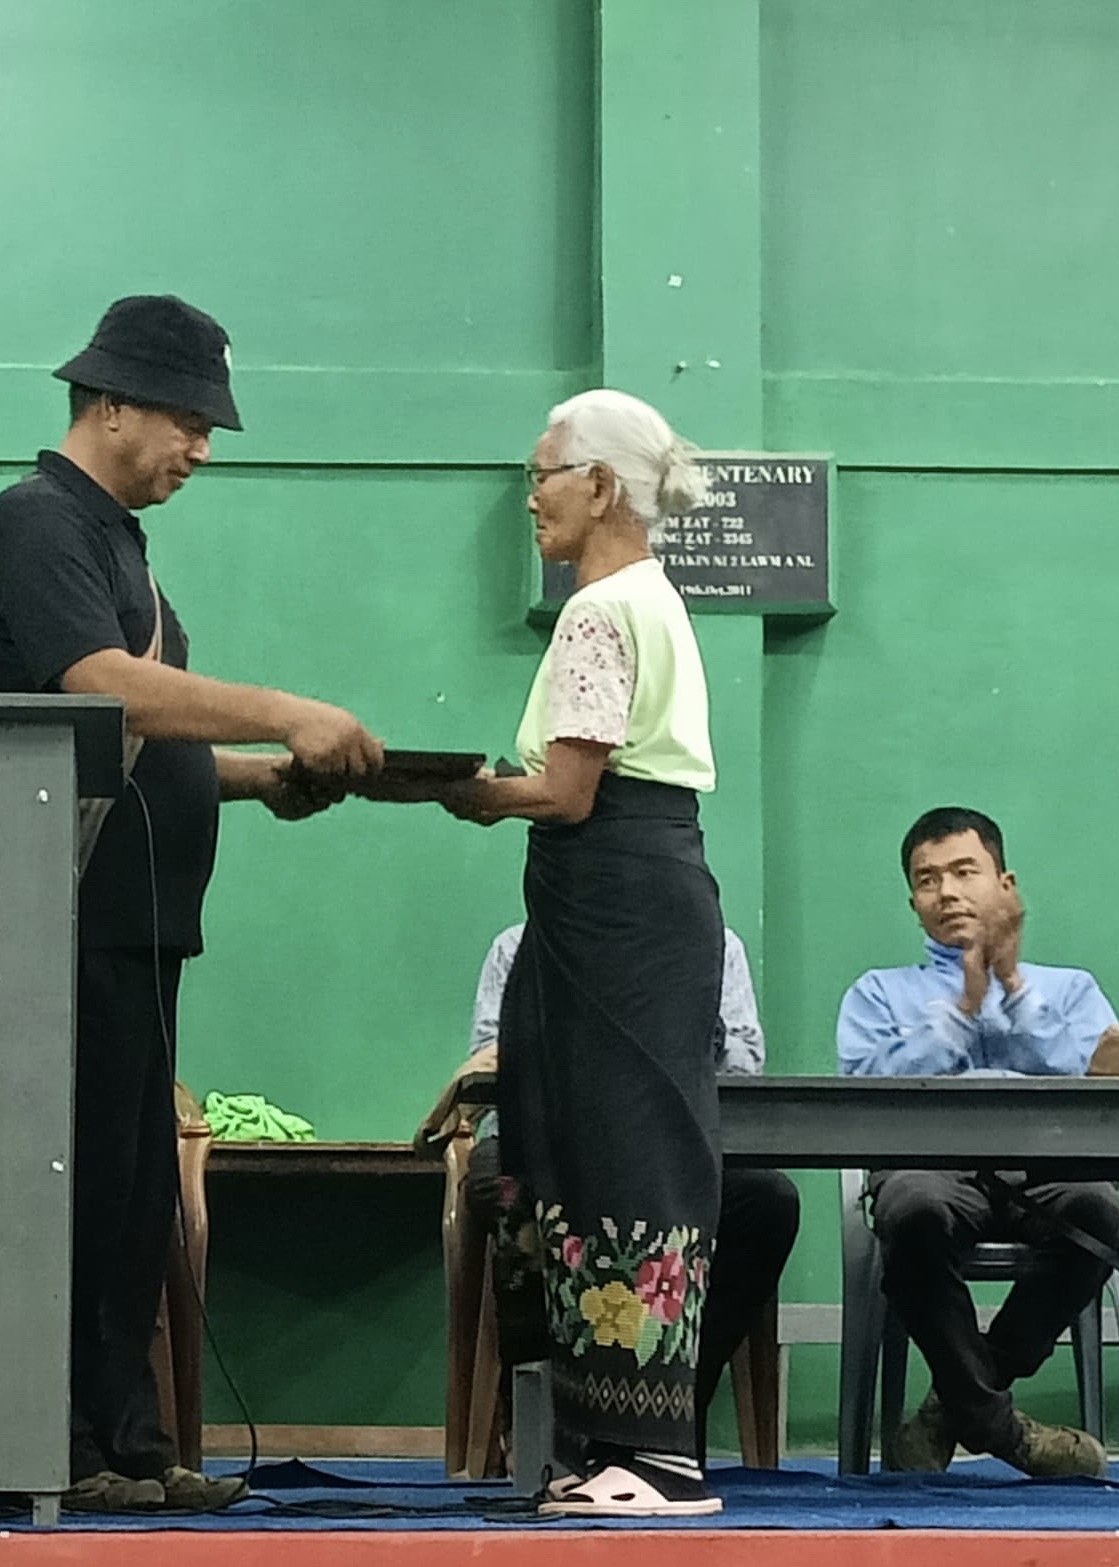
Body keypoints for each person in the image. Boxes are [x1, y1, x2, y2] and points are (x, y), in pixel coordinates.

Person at [0, 294, 383, 1514]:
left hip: (134, 925)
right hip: (63, 916)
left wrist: (259, 779)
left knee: (131, 1195)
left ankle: (127, 1443)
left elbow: (145, 748)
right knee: (71, 1188)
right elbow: (102, 690)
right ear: (109, 405)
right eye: (188, 422)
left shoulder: (115, 543)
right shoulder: (34, 522)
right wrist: (288, 712)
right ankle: (52, 1446)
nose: (200, 448)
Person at [438, 388, 727, 1517]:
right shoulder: (654, 598)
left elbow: (565, 791)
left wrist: (470, 791)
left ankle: (652, 1454)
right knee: (593, 1147)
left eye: (542, 475)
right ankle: (608, 1437)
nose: (531, 498)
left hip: (614, 903)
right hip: (634, 899)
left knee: (619, 1156)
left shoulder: (599, 610)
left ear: (600, 486)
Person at [836, 806, 1119, 1478]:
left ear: (1005, 884)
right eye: (927, 879)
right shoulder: (877, 994)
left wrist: (1012, 989)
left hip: (1049, 1170)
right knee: (911, 1211)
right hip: (929, 1169)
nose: (947, 892)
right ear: (913, 902)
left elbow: (1093, 1076)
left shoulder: (1070, 990)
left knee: (1099, 1214)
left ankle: (952, 1411)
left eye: (965, 872)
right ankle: (1004, 1431)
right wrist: (962, 1011)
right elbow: (864, 1090)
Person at [458, 923, 799, 1464]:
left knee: (767, 1203)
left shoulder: (714, 944)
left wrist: (690, 1026)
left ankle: (670, 1413)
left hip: (669, 1143)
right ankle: (543, 1426)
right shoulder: (517, 946)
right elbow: (489, 1065)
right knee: (510, 1190)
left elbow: (743, 1067)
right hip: (544, 1137)